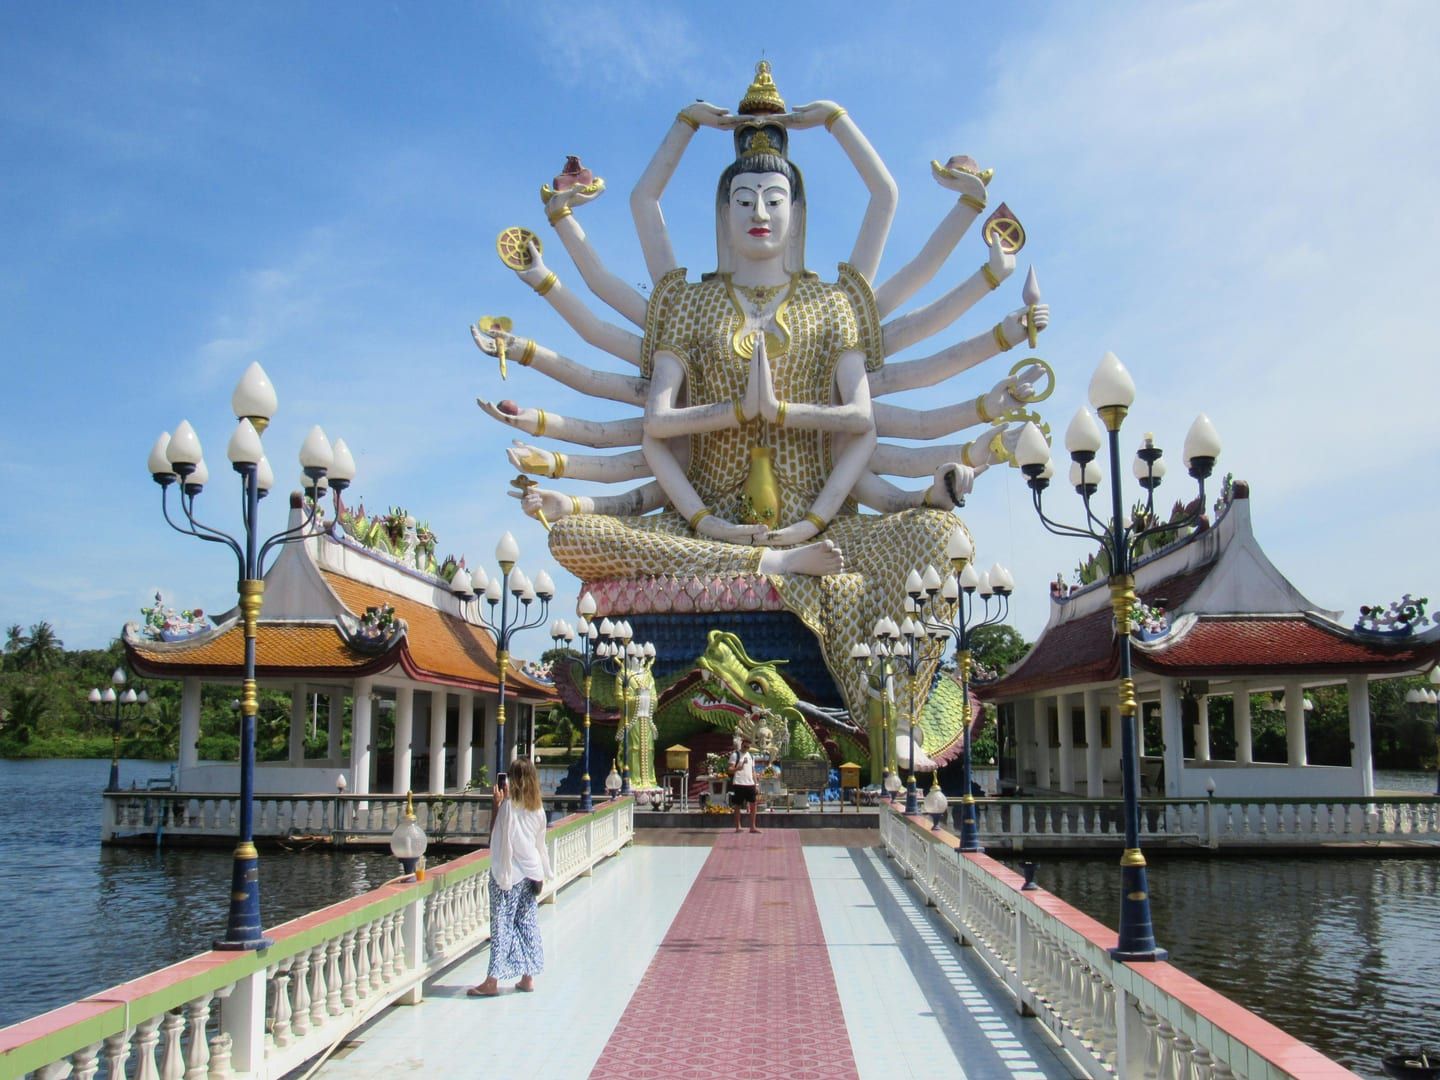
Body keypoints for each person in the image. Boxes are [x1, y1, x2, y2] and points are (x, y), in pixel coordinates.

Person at [468, 757, 552, 997]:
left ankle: (491, 982)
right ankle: (527, 977)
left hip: (509, 875)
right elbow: (539, 844)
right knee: (527, 924)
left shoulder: (508, 808)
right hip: (531, 873)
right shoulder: (538, 810)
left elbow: (496, 838)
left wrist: (497, 805)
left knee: (502, 925)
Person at [730, 736, 759, 833]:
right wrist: (738, 768)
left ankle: (753, 827)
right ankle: (738, 826)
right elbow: (730, 769)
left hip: (750, 783)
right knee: (738, 805)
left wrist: (756, 784)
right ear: (741, 744)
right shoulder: (735, 755)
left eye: (748, 747)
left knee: (753, 804)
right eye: (745, 746)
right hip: (739, 783)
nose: (746, 748)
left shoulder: (751, 756)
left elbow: (753, 771)